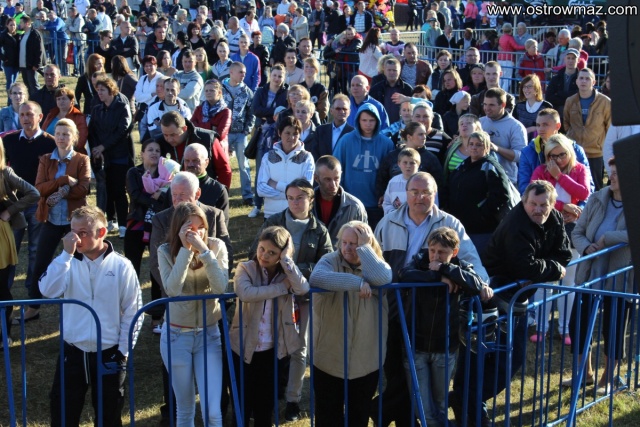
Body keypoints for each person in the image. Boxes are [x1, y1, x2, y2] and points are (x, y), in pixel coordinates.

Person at [450, 180, 571, 427]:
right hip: (492, 297)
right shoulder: (516, 225)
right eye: (533, 204)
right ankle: (468, 405)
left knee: (510, 361)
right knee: (484, 357)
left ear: (552, 204)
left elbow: (565, 253)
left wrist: (547, 267)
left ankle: (466, 401)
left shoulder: (555, 218)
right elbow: (526, 266)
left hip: (517, 300)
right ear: (524, 201)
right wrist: (553, 268)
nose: (538, 209)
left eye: (544, 205)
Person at [373, 171, 489, 427]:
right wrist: (438, 275)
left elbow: (474, 264)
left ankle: (388, 414)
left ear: (435, 195)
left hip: (432, 316)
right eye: (414, 192)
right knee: (397, 373)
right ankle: (395, 417)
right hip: (394, 309)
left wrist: (480, 284)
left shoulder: (449, 223)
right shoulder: (388, 223)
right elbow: (378, 263)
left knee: (421, 380)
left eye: (426, 192)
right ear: (406, 194)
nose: (420, 197)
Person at [39, 205, 143, 427]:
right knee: (63, 413)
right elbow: (47, 290)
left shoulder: (122, 266)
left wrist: (123, 351)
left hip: (110, 352)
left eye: (83, 233)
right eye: (72, 232)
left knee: (109, 415)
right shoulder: (67, 262)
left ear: (102, 232)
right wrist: (65, 255)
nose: (75, 238)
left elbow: (133, 311)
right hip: (73, 350)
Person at [248, 178, 332, 421]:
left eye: (300, 198)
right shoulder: (273, 222)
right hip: (273, 295)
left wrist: (293, 268)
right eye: (290, 198)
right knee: (269, 345)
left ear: (311, 200)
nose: (295, 203)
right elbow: (256, 253)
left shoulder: (320, 230)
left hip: (303, 298)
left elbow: (325, 265)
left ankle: (293, 399)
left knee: (299, 349)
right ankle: (268, 397)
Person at [398, 226, 488, 427]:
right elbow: (403, 274)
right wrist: (438, 277)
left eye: (442, 252)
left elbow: (476, 283)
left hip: (445, 347)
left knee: (440, 403)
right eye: (432, 250)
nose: (435, 256)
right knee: (423, 409)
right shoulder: (419, 262)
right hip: (416, 345)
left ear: (454, 253)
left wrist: (446, 270)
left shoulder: (460, 267)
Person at [310, 220, 392, 427]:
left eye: (354, 243)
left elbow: (383, 278)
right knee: (327, 417)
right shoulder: (330, 260)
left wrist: (365, 250)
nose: (347, 248)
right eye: (344, 242)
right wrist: (358, 283)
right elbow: (317, 278)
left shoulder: (376, 264)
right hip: (329, 357)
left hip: (366, 360)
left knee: (358, 416)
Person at [158, 201, 229, 426]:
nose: (197, 234)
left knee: (213, 412)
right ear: (179, 229)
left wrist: (205, 252)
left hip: (209, 334)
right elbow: (172, 289)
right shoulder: (164, 250)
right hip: (176, 336)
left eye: (201, 228)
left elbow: (220, 287)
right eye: (190, 229)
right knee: (185, 408)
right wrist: (186, 251)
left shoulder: (216, 246)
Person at [565, 157, 632, 396]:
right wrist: (586, 247)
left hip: (620, 276)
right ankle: (585, 373)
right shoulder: (597, 197)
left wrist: (608, 238)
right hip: (590, 273)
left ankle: (607, 379)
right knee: (579, 324)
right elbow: (578, 231)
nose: (610, 176)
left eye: (616, 173)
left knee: (613, 329)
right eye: (610, 172)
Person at [231, 225, 309, 427]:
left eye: (272, 253)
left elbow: (303, 287)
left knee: (265, 407)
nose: (264, 255)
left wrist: (287, 259)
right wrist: (281, 288)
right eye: (261, 249)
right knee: (242, 405)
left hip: (273, 350)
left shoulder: (287, 273)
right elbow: (246, 293)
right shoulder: (245, 268)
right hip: (243, 348)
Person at [16, 118, 91, 321]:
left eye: (65, 134)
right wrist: (63, 181)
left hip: (73, 221)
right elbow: (39, 189)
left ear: (73, 137)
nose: (61, 138)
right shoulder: (46, 159)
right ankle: (33, 307)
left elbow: (83, 189)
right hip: (50, 219)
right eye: (58, 134)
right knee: (40, 262)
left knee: (79, 264)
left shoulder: (82, 159)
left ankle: (82, 306)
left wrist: (61, 191)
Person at [529, 133, 590, 344]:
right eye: (552, 156)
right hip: (546, 230)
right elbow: (534, 198)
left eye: (561, 155)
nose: (557, 160)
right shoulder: (540, 171)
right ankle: (541, 327)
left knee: (568, 282)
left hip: (572, 230)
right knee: (544, 281)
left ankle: (565, 329)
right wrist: (565, 207)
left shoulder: (580, 169)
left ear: (569, 152)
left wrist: (560, 176)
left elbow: (584, 193)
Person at [2, 102, 57, 297]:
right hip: (14, 203)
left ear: (40, 117)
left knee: (35, 250)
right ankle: (4, 291)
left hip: (38, 203)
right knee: (10, 248)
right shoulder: (9, 141)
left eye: (29, 114)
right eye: (22, 114)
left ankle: (33, 292)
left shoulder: (51, 143)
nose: (25, 118)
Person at [124, 139, 168, 333]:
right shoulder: (133, 173)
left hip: (157, 226)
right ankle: (128, 312)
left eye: (157, 150)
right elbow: (135, 195)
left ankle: (157, 317)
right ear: (142, 153)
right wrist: (156, 200)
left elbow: (168, 197)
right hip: (136, 224)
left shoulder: (167, 174)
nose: (154, 153)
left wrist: (160, 199)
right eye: (150, 150)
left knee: (156, 270)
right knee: (131, 269)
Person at [443, 130, 513, 252]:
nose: (474, 147)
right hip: (460, 226)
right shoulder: (462, 165)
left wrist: (482, 214)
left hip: (481, 231)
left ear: (486, 147)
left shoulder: (491, 167)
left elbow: (502, 195)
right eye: (471, 144)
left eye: (478, 145)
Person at [0, 137, 39, 348]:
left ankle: (4, 334)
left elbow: (34, 193)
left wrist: (10, 211)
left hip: (1, 235)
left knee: (1, 288)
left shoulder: (5, 172)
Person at [335, 103, 394, 229]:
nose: (368, 124)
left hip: (376, 204)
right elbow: (336, 167)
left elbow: (390, 173)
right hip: (350, 203)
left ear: (377, 121)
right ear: (358, 120)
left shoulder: (386, 144)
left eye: (372, 120)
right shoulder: (346, 140)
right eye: (364, 120)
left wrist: (385, 194)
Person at [89, 77, 134, 239]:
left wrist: (104, 146)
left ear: (111, 90)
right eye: (98, 90)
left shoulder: (122, 107)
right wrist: (96, 149)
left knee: (118, 190)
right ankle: (110, 219)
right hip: (102, 157)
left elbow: (123, 130)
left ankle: (123, 224)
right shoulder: (97, 109)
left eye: (102, 90)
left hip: (119, 155)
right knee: (105, 189)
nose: (99, 93)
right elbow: (92, 131)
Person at [155, 111, 232, 189]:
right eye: (165, 135)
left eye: (173, 135)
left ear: (184, 129)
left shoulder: (207, 138)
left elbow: (224, 170)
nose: (169, 139)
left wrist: (221, 193)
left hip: (204, 190)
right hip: (172, 192)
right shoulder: (159, 143)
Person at [257, 116, 315, 218]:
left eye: (295, 134)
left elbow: (306, 188)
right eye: (287, 133)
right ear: (279, 133)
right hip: (272, 215)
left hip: (296, 215)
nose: (291, 137)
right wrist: (291, 195)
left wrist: (276, 184)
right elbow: (261, 188)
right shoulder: (268, 157)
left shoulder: (307, 158)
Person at [564, 67, 611, 191]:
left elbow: (609, 127)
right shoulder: (570, 101)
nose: (584, 81)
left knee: (596, 188)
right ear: (576, 81)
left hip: (595, 153)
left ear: (594, 82)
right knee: (575, 188)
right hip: (575, 153)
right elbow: (566, 123)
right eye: (581, 78)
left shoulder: (605, 102)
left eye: (587, 79)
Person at [377, 120, 444, 202]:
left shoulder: (431, 158)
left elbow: (439, 184)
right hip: (395, 205)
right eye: (420, 134)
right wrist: (382, 196)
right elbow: (381, 179)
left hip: (420, 203)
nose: (424, 137)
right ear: (409, 137)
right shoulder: (392, 156)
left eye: (424, 134)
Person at [222, 61, 256, 205]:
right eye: (240, 72)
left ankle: (247, 196)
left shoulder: (247, 91)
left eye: (245, 73)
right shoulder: (220, 89)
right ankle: (222, 194)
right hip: (223, 134)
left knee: (244, 165)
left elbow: (251, 113)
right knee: (222, 165)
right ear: (231, 72)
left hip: (240, 133)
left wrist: (246, 130)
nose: (243, 75)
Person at [313, 155, 367, 244]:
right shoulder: (305, 204)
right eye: (327, 179)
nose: (333, 185)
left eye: (336, 178)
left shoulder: (355, 207)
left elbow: (363, 242)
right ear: (316, 178)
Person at [479, 87, 527, 185]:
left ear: (503, 105)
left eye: (491, 105)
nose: (487, 108)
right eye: (485, 104)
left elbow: (521, 156)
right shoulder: (480, 122)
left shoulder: (516, 126)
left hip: (505, 180)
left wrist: (496, 148)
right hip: (481, 178)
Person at [178, 143, 230, 224]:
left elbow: (222, 224)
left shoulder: (218, 190)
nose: (190, 164)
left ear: (206, 162)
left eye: (195, 160)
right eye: (187, 161)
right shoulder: (175, 187)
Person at [191, 79, 232, 158]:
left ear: (219, 92)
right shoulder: (199, 109)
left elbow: (219, 134)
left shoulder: (226, 111)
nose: (208, 93)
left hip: (217, 149)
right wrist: (211, 127)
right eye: (206, 91)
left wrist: (200, 128)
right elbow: (191, 127)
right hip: (200, 148)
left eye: (212, 90)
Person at [41, 88, 88, 154]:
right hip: (48, 153)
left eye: (64, 99)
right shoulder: (51, 115)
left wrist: (51, 138)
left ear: (72, 101)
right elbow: (42, 133)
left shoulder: (78, 117)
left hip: (71, 154)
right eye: (58, 99)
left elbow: (80, 142)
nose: (61, 101)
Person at [307, 94, 353, 160]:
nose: (342, 111)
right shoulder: (320, 130)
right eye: (338, 109)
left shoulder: (353, 133)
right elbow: (314, 154)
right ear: (331, 111)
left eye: (345, 109)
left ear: (349, 112)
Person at [370, 57, 414, 124]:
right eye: (389, 70)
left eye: (394, 70)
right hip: (381, 126)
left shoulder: (407, 89)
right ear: (384, 71)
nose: (391, 72)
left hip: (402, 127)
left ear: (399, 71)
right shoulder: (376, 89)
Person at [512, 74, 553, 140]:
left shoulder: (546, 106)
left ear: (536, 88)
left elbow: (550, 127)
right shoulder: (518, 106)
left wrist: (532, 129)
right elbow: (514, 126)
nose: (526, 89)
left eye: (529, 86)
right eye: (524, 87)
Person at [382, 147, 420, 215]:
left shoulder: (424, 182)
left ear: (418, 164)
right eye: (405, 162)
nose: (408, 166)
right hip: (396, 219)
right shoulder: (393, 182)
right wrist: (394, 214)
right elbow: (387, 203)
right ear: (399, 163)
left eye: (412, 163)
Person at [544, 48, 579, 122]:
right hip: (557, 116)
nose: (570, 61)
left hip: (575, 116)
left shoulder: (581, 79)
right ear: (564, 59)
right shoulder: (556, 78)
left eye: (573, 58)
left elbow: (580, 97)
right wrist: (568, 97)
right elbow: (549, 97)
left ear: (578, 60)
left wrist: (559, 94)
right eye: (568, 58)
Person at [18, 15, 46, 97]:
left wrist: (37, 64)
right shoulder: (23, 35)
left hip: (31, 65)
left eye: (21, 23)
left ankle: (37, 101)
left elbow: (39, 50)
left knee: (34, 85)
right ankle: (31, 101)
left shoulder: (35, 34)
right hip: (24, 65)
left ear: (27, 23)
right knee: (28, 86)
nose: (20, 24)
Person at [496, 23, 525, 92]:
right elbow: (516, 47)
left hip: (500, 58)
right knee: (507, 79)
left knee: (501, 78)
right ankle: (503, 93)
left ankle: (498, 91)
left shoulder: (501, 38)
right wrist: (526, 46)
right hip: (508, 59)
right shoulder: (510, 38)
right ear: (511, 30)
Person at [0, 19, 20, 103]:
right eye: (11, 25)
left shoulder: (17, 35)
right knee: (10, 81)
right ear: (7, 25)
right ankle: (10, 101)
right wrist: (4, 58)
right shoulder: (3, 35)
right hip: (8, 62)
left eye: (14, 25)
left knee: (14, 81)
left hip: (17, 62)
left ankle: (13, 100)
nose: (13, 27)